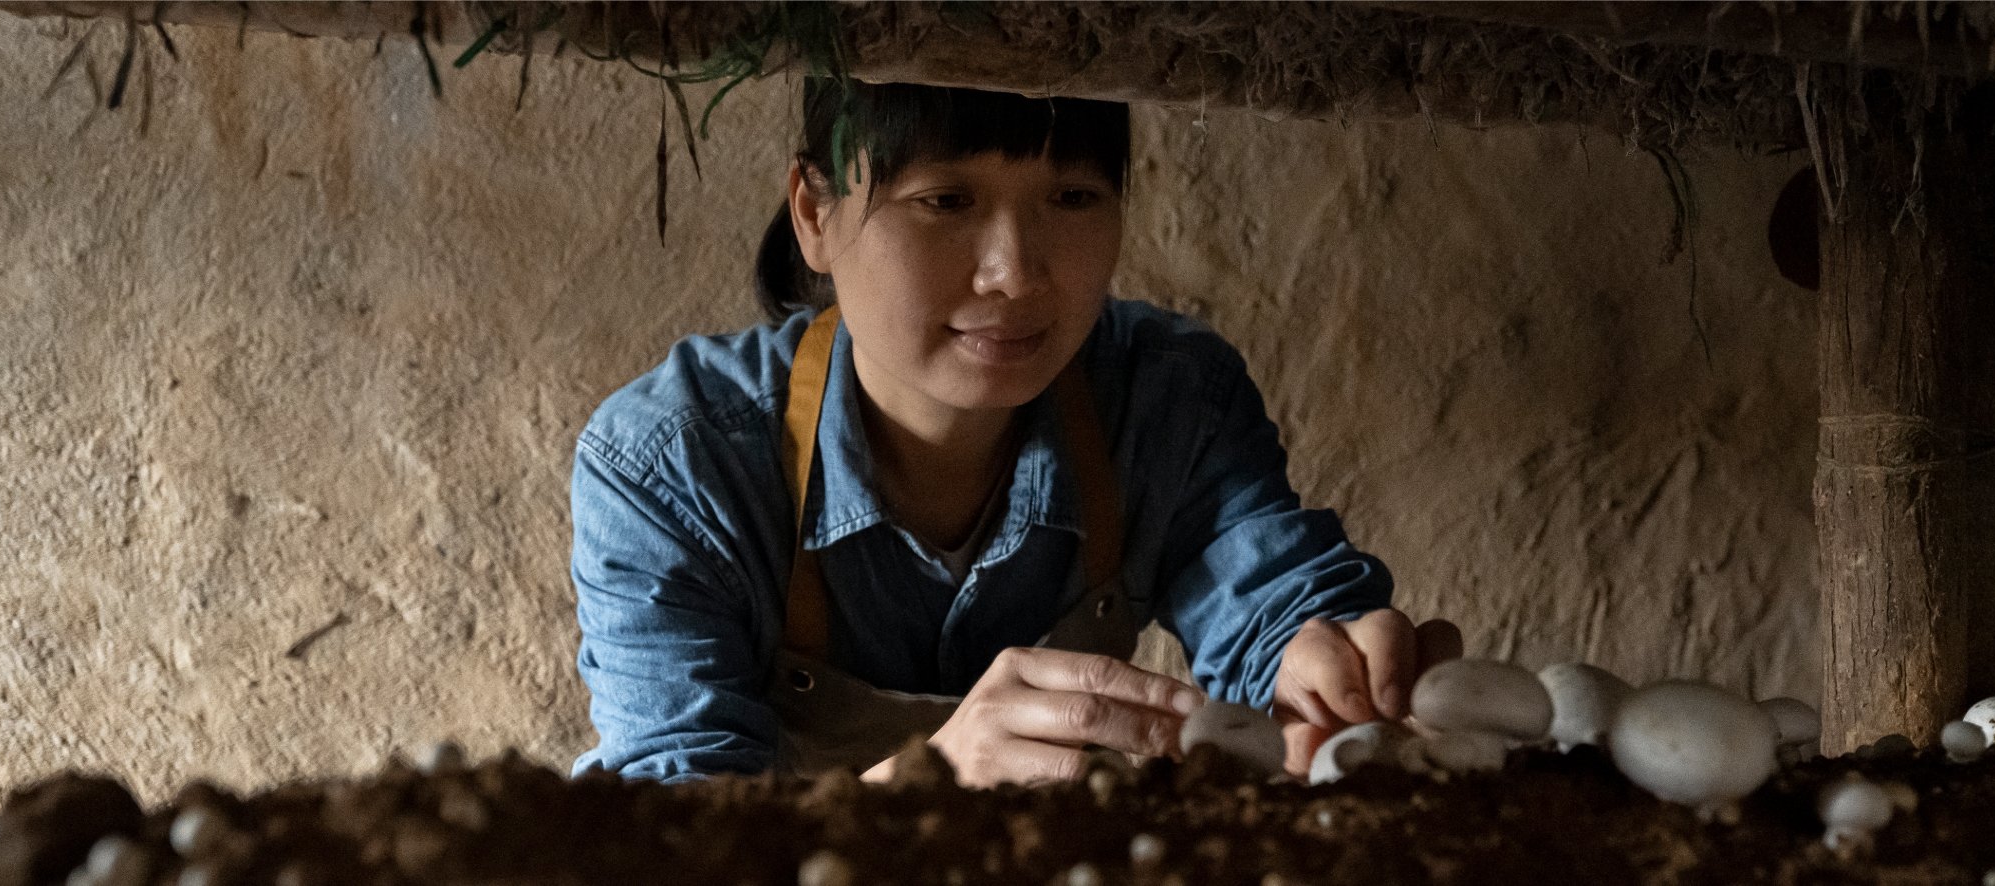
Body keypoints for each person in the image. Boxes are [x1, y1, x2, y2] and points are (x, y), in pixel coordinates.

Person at [571, 79, 1459, 786]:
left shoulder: (1167, 400)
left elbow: (1267, 597)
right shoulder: (671, 463)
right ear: (814, 210)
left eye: (1072, 195)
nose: (1016, 272)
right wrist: (932, 778)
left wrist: (1327, 661)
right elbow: (680, 829)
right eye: (947, 199)